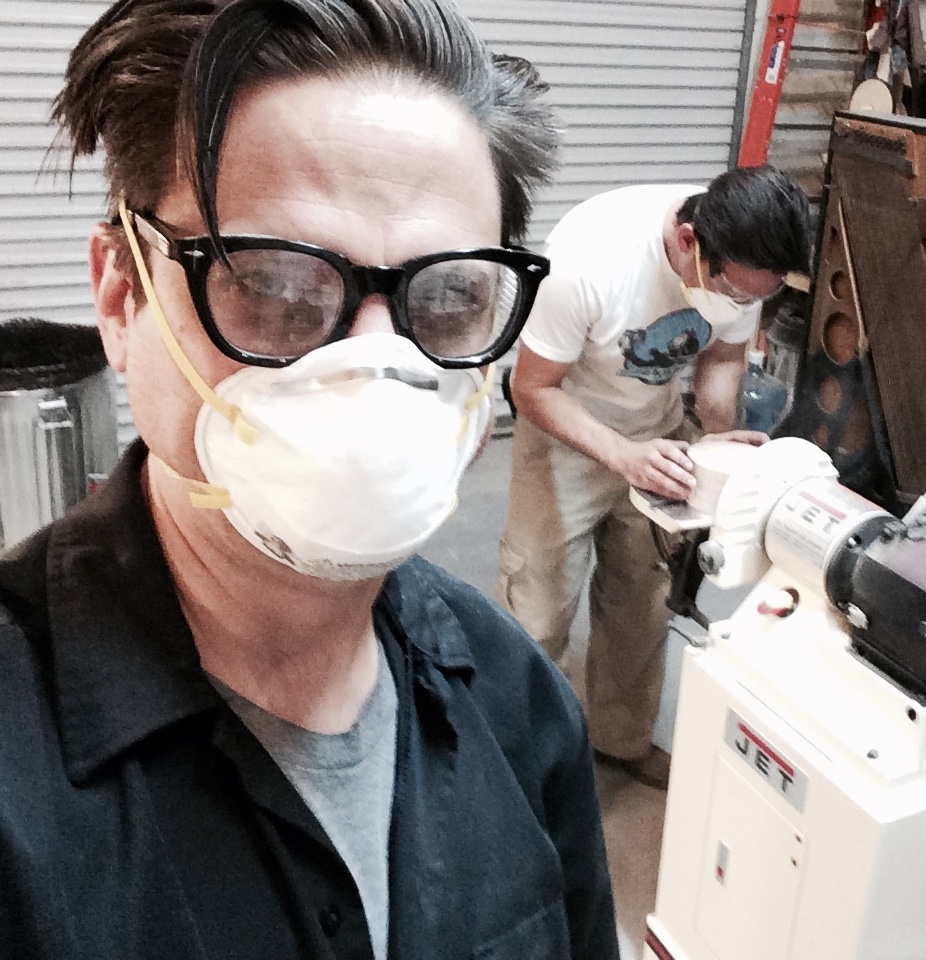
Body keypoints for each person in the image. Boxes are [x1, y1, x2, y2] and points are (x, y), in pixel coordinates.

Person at [0, 1, 620, 957]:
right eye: (275, 285)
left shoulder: (519, 703)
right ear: (123, 297)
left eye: (451, 297)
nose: (376, 365)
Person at [496, 167, 812, 789]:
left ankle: (621, 739)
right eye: (736, 293)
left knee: (642, 599)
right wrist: (621, 454)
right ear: (690, 241)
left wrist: (714, 436)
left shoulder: (745, 258)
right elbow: (529, 388)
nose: (742, 307)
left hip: (661, 430)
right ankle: (518, 768)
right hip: (569, 427)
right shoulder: (588, 260)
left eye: (756, 298)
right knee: (538, 604)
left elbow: (722, 357)